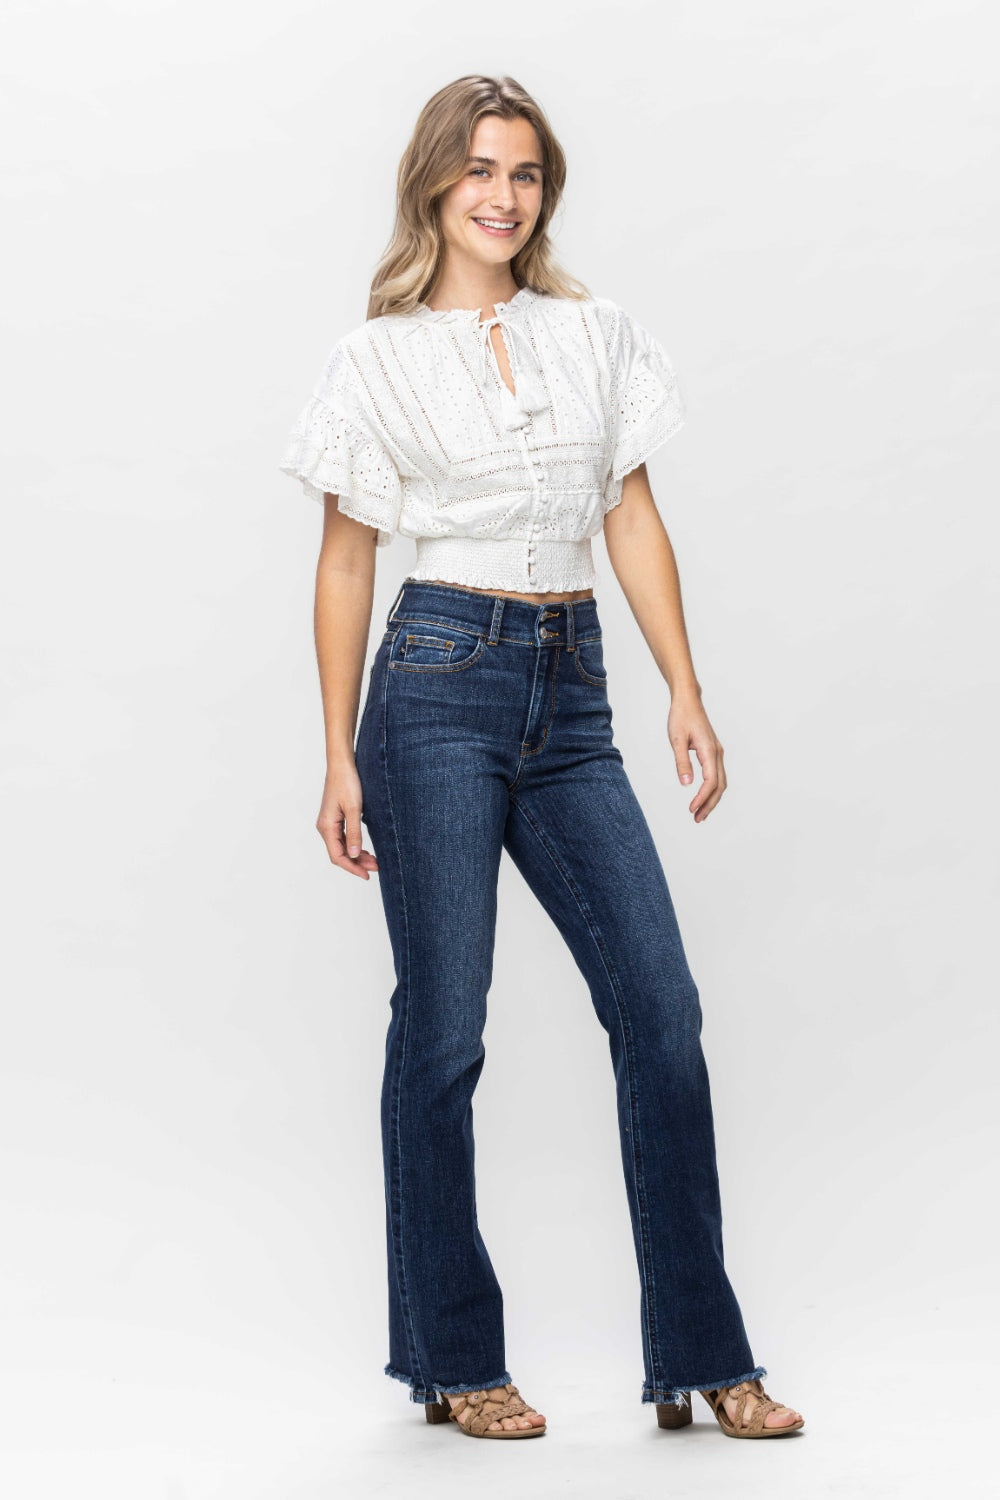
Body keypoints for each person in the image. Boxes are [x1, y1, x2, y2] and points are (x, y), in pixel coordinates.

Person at [279, 74, 805, 1442]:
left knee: (662, 1014)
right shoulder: (377, 358)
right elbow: (346, 563)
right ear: (434, 188)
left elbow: (631, 516)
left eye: (524, 173)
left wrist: (685, 687)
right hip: (435, 685)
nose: (504, 197)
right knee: (444, 1032)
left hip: (574, 697)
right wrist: (336, 756)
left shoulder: (593, 334)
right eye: (479, 173)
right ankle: (455, 1357)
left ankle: (702, 1351)